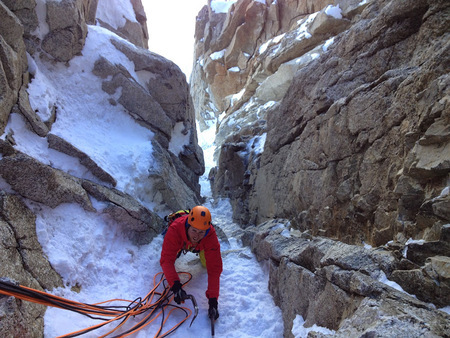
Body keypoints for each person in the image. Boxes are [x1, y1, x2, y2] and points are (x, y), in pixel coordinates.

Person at [160, 206, 223, 320]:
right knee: (172, 257)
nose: (196, 235)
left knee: (206, 264)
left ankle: (198, 250)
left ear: (207, 230)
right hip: (181, 241)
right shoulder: (175, 229)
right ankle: (180, 249)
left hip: (200, 246)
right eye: (194, 230)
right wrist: (176, 286)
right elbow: (166, 260)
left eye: (201, 232)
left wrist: (213, 301)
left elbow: (215, 269)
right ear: (188, 225)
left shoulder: (210, 236)